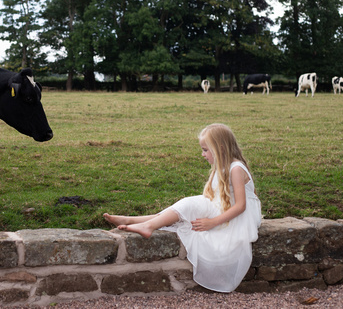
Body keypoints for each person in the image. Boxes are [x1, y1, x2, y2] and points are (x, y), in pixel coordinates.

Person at [103, 123, 262, 293]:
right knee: (184, 207)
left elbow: (241, 206)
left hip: (238, 216)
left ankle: (147, 225)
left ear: (220, 149)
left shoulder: (236, 168)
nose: (202, 154)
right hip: (223, 207)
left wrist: (213, 223)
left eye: (205, 150)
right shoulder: (223, 166)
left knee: (188, 205)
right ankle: (134, 220)